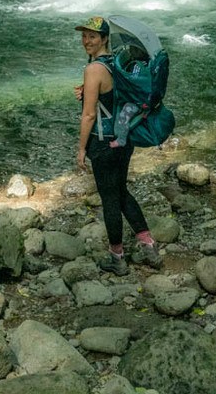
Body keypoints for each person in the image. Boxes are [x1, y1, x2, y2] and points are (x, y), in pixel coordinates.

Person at [74, 15, 161, 274]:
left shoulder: (93, 70)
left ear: (104, 39)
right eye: (84, 36)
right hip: (124, 140)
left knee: (110, 199)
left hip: (103, 144)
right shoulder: (118, 62)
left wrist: (80, 149)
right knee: (121, 193)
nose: (86, 40)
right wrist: (86, 91)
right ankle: (148, 247)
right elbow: (112, 97)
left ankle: (117, 258)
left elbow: (89, 115)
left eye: (92, 36)